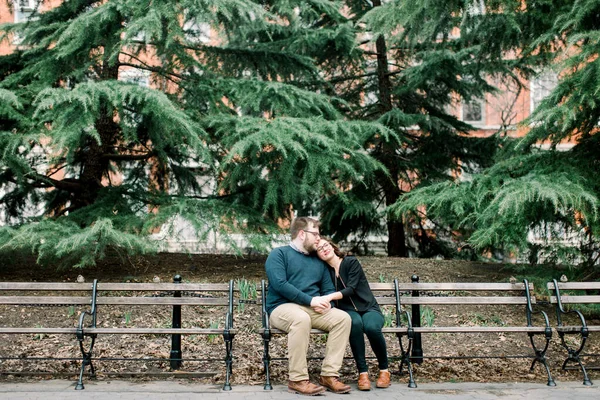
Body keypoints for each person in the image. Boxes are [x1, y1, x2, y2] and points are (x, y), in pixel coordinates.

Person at [265, 217, 352, 395]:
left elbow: (327, 288)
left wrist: (326, 303)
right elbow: (280, 284)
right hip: (282, 307)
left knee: (343, 318)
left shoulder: (317, 261)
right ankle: (297, 379)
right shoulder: (279, 254)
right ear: (302, 234)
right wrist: (311, 300)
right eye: (316, 234)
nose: (319, 239)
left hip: (311, 308)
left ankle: (329, 375)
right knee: (301, 319)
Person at [316, 238, 391, 391]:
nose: (324, 249)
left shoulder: (350, 262)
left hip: (369, 308)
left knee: (371, 327)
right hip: (348, 311)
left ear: (332, 246)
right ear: (318, 255)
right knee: (354, 324)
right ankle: (363, 373)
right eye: (319, 249)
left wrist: (330, 297)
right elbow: (325, 291)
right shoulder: (326, 272)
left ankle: (384, 370)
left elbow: (351, 288)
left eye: (326, 245)